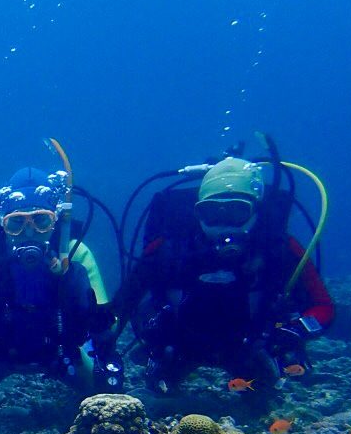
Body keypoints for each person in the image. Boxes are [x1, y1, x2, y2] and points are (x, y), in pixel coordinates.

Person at [118, 157, 334, 394]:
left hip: (250, 345)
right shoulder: (168, 248)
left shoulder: (280, 249)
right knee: (158, 392)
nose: (223, 224)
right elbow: (123, 303)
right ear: (196, 213)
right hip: (180, 344)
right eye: (211, 213)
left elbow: (323, 306)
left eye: (236, 211)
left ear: (256, 211)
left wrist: (295, 331)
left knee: (263, 392)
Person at [0, 167, 122, 405]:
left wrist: (99, 319)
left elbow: (109, 327)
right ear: (2, 224)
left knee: (103, 402)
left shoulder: (75, 253)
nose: (29, 233)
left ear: (55, 221)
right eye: (16, 223)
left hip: (62, 354)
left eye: (40, 221)